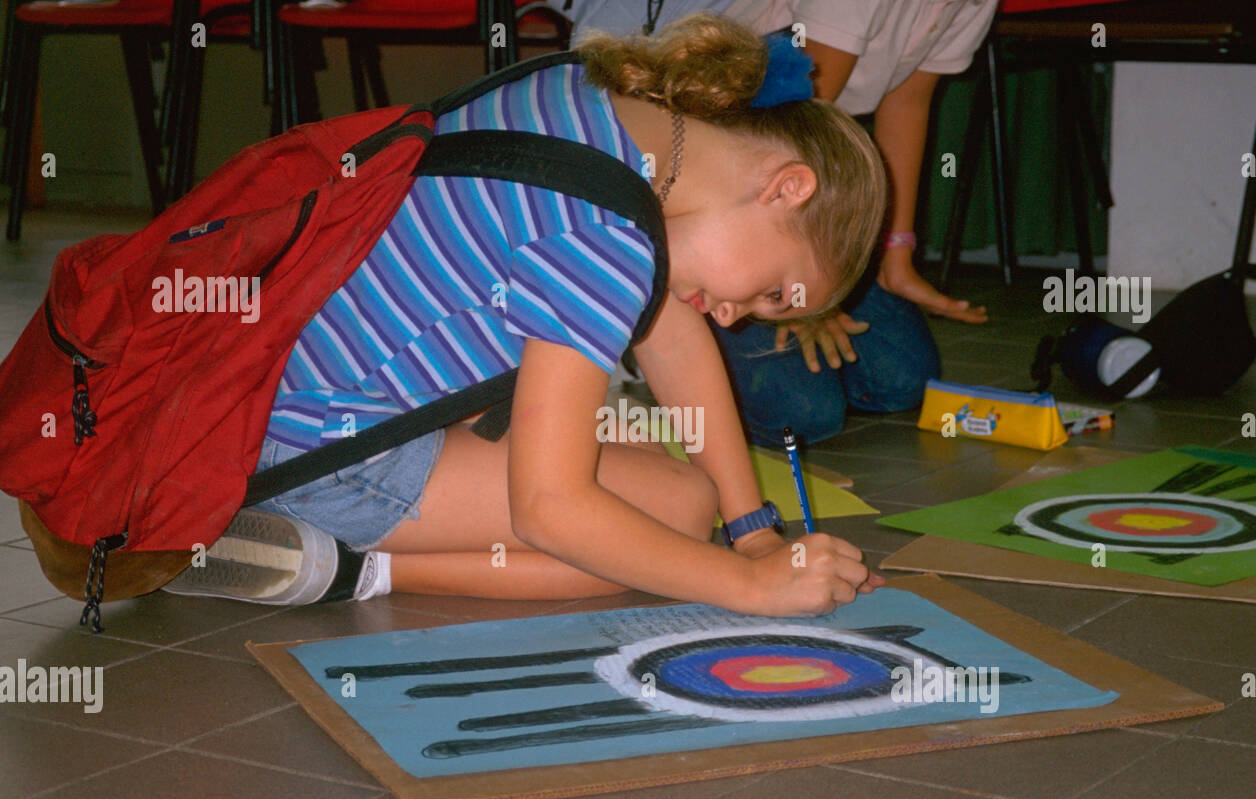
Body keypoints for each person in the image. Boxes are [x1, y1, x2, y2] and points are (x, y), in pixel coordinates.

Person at [164, 15, 889, 619]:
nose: (738, 318)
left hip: (255, 397)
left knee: (675, 497)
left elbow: (671, 330)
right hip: (318, 452)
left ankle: (303, 529)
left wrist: (752, 527)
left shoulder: (600, 103)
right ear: (786, 189)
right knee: (669, 518)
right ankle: (348, 566)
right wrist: (748, 583)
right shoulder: (604, 240)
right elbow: (549, 509)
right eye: (775, 294)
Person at [555, 1, 998, 447]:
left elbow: (908, 102)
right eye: (774, 296)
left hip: (798, 211)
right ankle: (665, 322)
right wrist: (795, 295)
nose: (733, 317)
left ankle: (750, 302)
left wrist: (894, 256)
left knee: (904, 378)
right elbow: (800, 116)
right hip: (761, 194)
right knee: (804, 415)